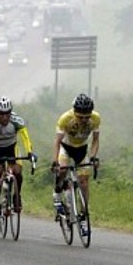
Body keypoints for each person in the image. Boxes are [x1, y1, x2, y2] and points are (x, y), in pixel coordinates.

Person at [51, 93, 100, 225]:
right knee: (62, 170)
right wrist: (55, 160)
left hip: (82, 149)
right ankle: (57, 191)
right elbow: (57, 141)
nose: (84, 120)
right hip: (66, 147)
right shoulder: (65, 119)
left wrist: (94, 156)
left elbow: (95, 140)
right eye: (80, 117)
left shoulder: (95, 118)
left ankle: (84, 212)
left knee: (84, 181)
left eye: (86, 117)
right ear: (74, 112)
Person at [0, 96, 34, 217]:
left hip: (12, 148)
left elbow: (25, 138)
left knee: (17, 171)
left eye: (7, 114)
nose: (5, 117)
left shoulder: (17, 120)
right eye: (1, 114)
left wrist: (29, 152)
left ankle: (17, 195)